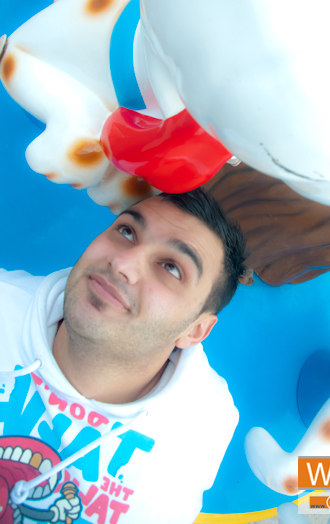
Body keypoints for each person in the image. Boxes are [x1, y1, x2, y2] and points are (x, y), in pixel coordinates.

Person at [0, 188, 247, 524]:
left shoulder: (203, 423)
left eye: (172, 268)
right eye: (127, 231)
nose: (122, 263)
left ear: (195, 331)